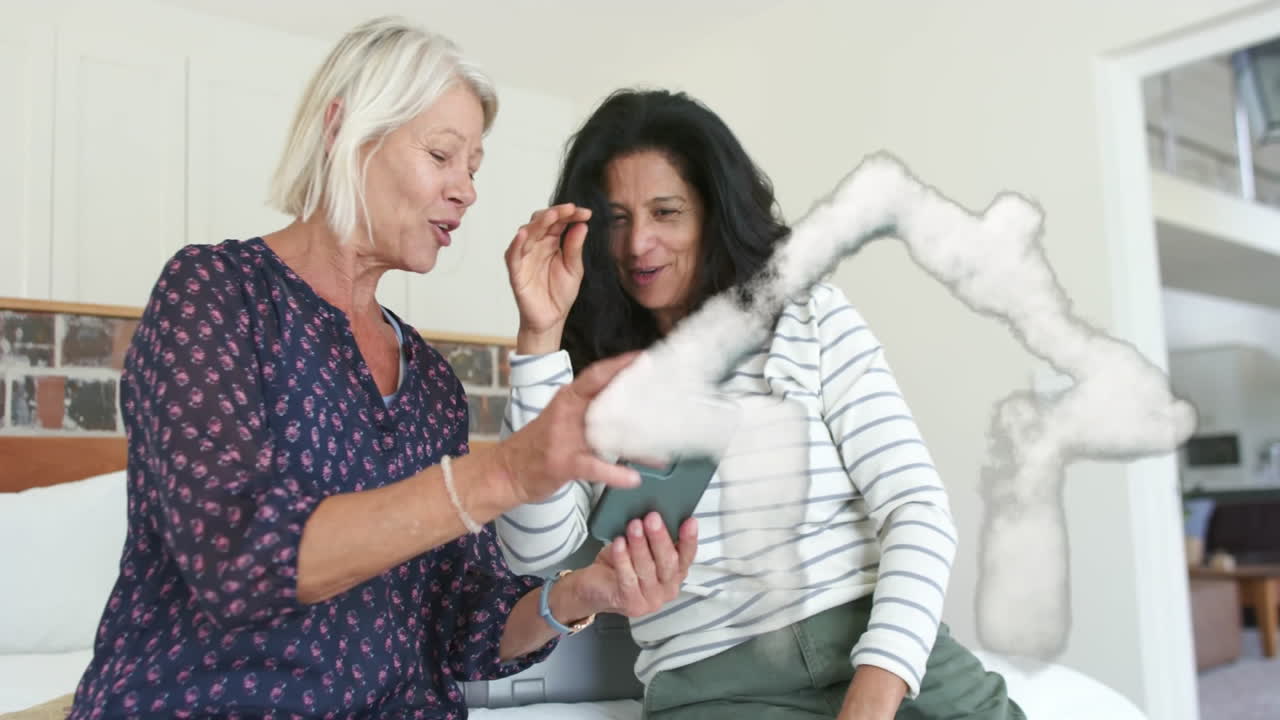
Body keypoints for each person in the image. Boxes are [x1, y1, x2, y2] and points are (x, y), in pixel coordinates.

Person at [49, 20, 698, 720]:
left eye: (473, 168)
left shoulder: (430, 382)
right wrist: (503, 472)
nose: (466, 191)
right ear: (345, 131)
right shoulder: (214, 294)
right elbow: (240, 557)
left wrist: (580, 593)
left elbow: (462, 631)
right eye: (442, 155)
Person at [497, 89, 1025, 719]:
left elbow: (916, 508)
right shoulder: (587, 377)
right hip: (713, 681)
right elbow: (533, 553)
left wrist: (876, 689)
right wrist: (539, 337)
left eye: (667, 212)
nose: (639, 244)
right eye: (616, 219)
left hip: (874, 647)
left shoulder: (809, 316)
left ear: (713, 214)